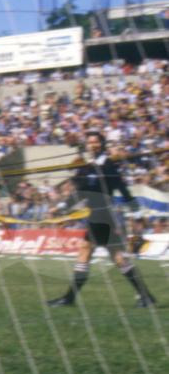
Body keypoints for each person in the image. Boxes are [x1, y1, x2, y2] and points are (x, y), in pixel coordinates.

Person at [47, 131, 156, 308]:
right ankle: (146, 296)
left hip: (103, 217)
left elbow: (123, 189)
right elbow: (78, 193)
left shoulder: (108, 165)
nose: (92, 145)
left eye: (96, 142)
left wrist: (136, 213)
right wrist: (61, 208)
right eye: (90, 142)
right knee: (118, 258)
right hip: (97, 217)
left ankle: (69, 298)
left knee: (85, 250)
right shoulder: (88, 167)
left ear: (102, 144)